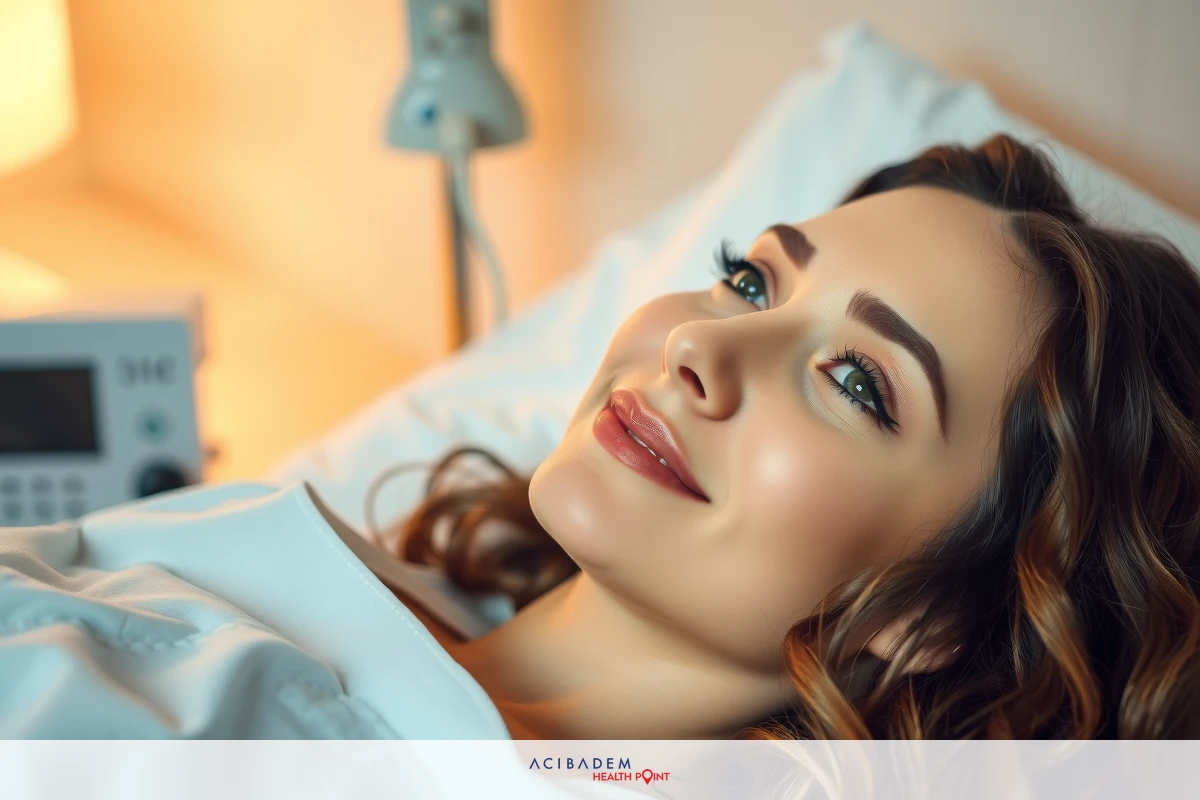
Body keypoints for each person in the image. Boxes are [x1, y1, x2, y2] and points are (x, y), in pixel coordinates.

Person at [390, 134, 1200, 740]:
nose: (695, 347)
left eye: (855, 382)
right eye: (750, 282)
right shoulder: (357, 594)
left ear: (931, 611)